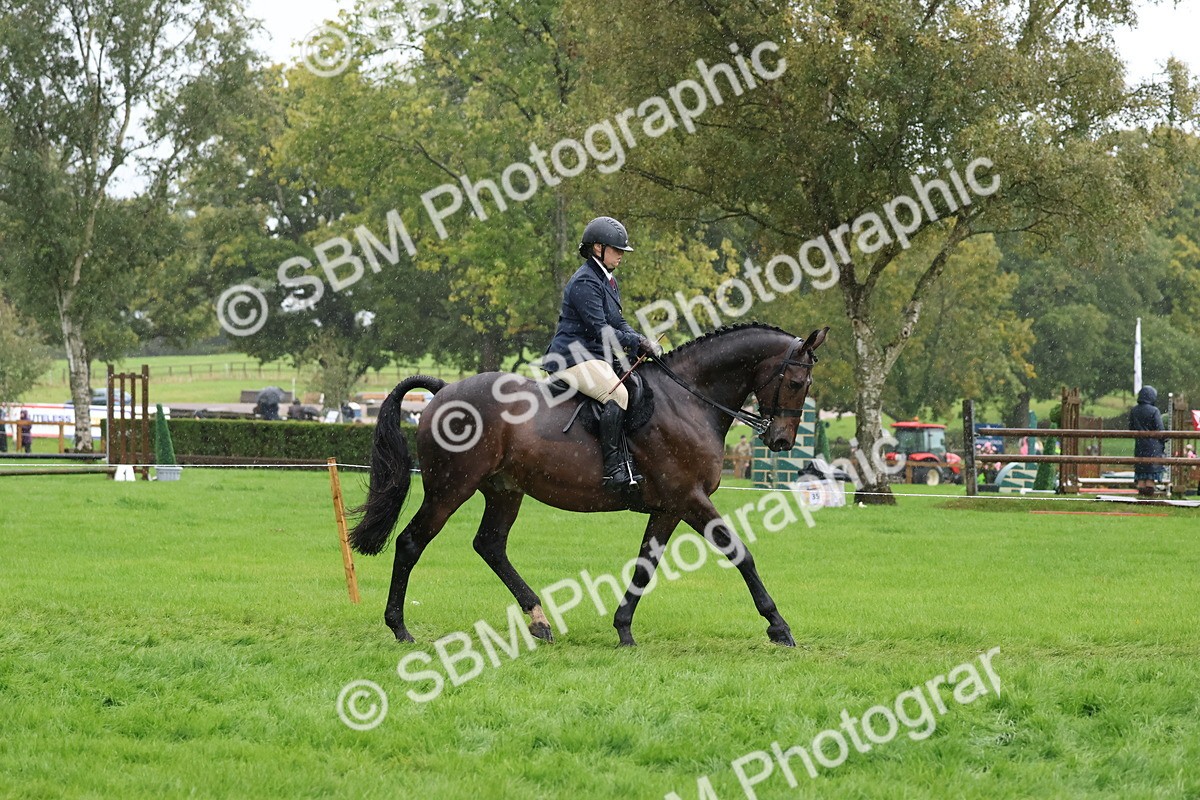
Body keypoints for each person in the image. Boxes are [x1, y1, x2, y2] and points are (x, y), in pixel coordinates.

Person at [544, 216, 661, 489]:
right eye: (617, 250)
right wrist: (635, 343)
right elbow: (600, 330)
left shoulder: (608, 280)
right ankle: (613, 468)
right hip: (572, 357)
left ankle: (630, 457)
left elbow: (617, 323)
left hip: (595, 355)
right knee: (617, 393)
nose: (621, 256)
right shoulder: (586, 281)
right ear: (598, 248)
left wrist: (640, 340)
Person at [1130, 385, 1167, 497]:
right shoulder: (1154, 410)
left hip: (1140, 445)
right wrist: (1165, 439)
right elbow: (1160, 429)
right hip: (1153, 446)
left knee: (1141, 472)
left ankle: (1140, 496)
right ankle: (1149, 497)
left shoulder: (1134, 410)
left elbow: (1131, 428)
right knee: (1151, 474)